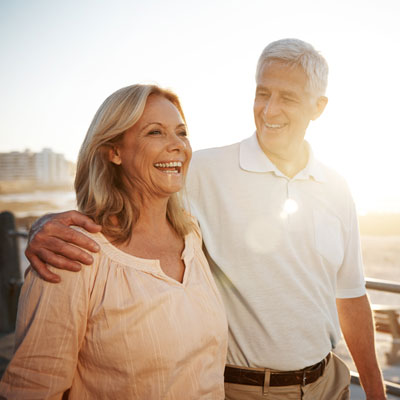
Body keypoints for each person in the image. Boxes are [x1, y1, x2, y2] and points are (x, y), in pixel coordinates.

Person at [23, 39, 385, 399]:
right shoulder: (199, 170)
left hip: (330, 384)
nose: (270, 110)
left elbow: (351, 296)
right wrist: (43, 225)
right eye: (263, 93)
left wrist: (375, 391)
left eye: (287, 98)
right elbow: (124, 195)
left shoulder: (338, 187)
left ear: (318, 107)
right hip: (243, 389)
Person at [0, 84, 228, 399]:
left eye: (182, 132)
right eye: (155, 133)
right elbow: (33, 387)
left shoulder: (190, 233)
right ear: (115, 151)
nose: (177, 145)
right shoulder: (73, 254)